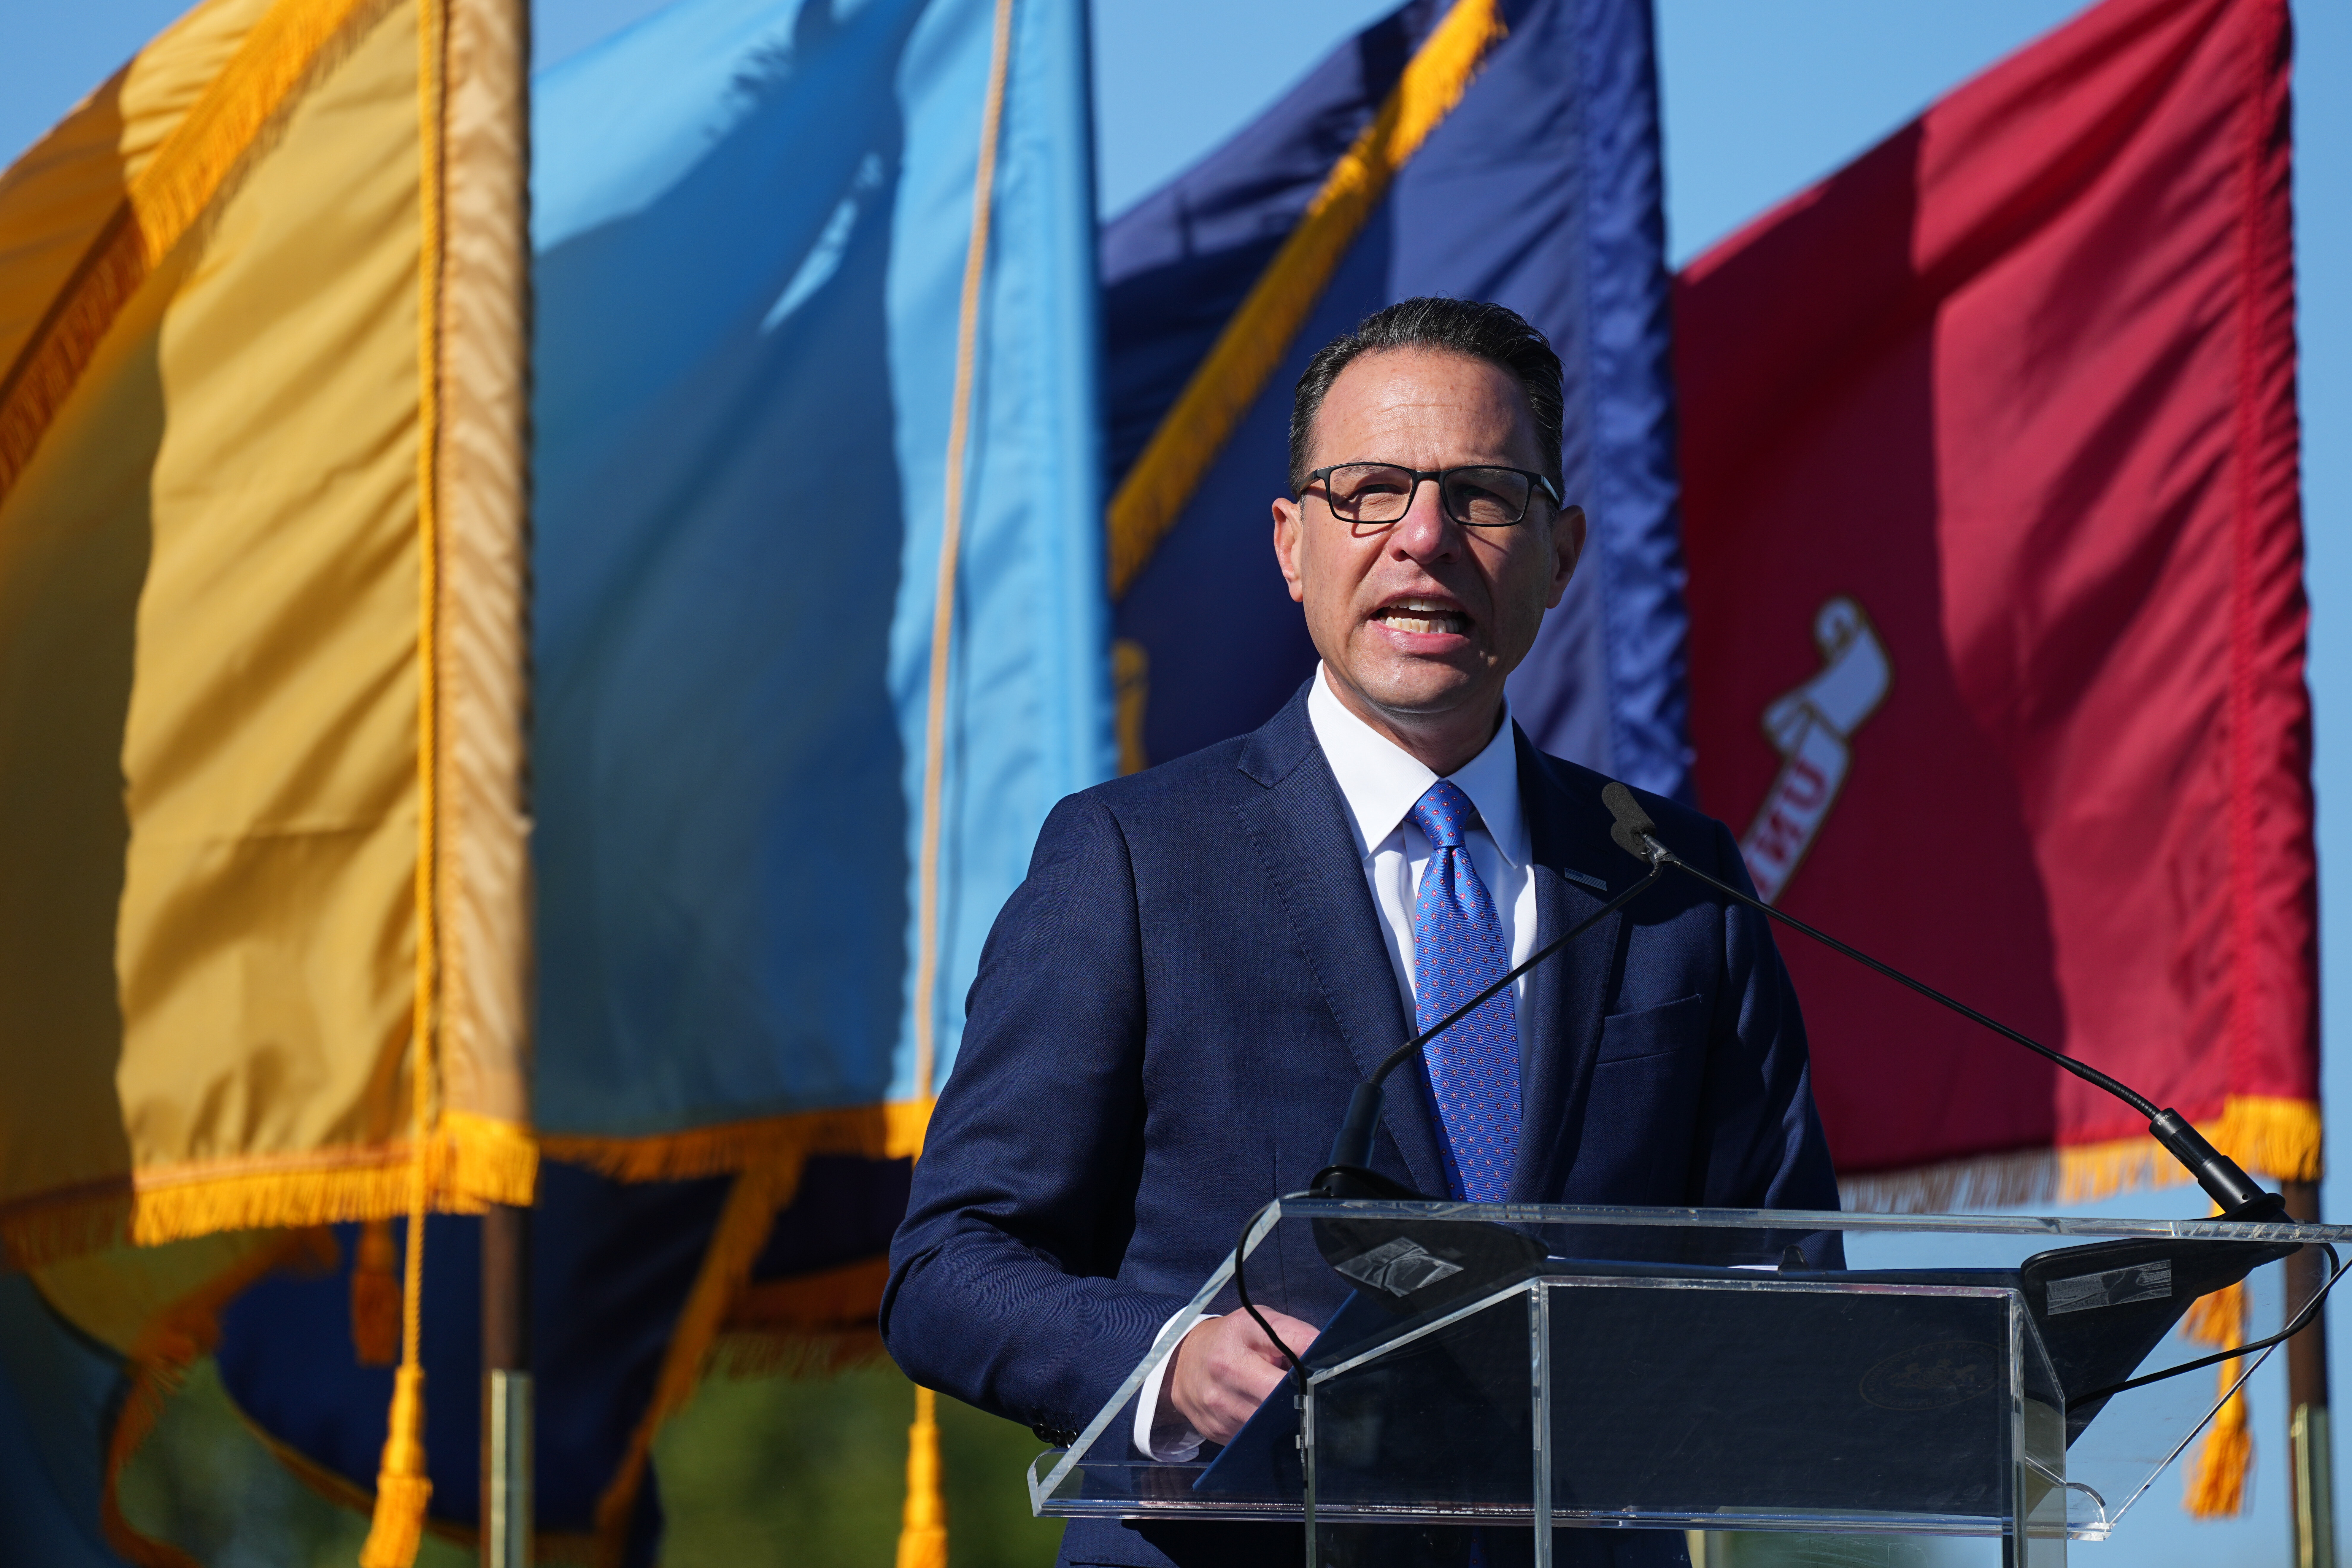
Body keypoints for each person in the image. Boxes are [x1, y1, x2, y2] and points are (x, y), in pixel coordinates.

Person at [884, 298, 1838, 1568]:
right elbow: (947, 1265)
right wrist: (1172, 1363)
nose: (1423, 539)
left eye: (1482, 496)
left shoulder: (1673, 883)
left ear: (1561, 550)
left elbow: (1784, 1281)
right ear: (1290, 543)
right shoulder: (1129, 858)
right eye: (1369, 491)